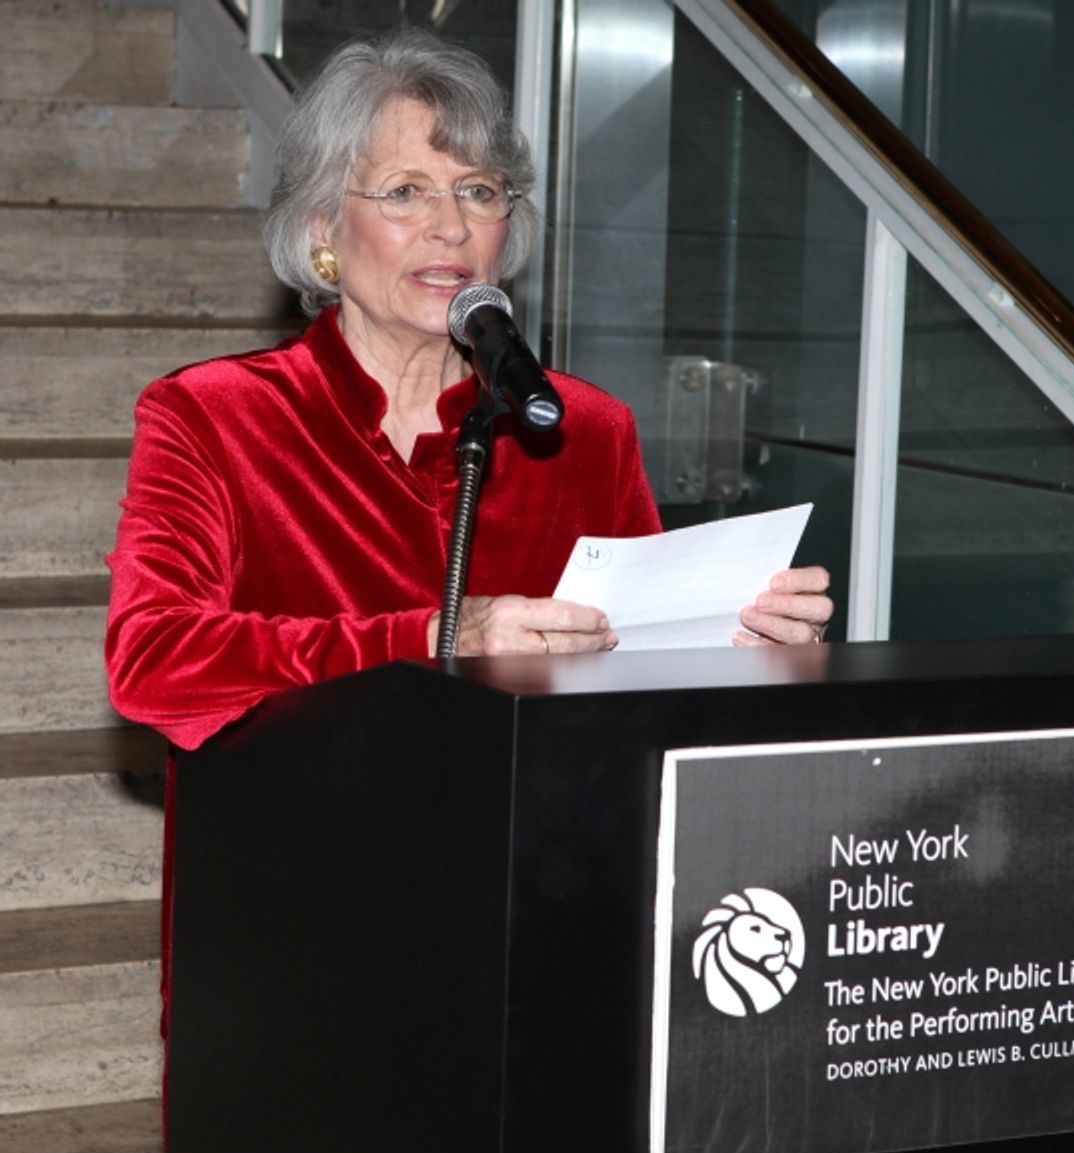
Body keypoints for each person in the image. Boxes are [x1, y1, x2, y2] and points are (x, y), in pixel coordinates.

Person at [105, 27, 832, 754]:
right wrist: (439, 634)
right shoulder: (215, 415)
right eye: (405, 193)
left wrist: (746, 643)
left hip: (535, 844)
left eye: (478, 191)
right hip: (306, 843)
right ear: (323, 225)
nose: (450, 226)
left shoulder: (585, 428)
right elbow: (152, 661)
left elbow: (638, 682)